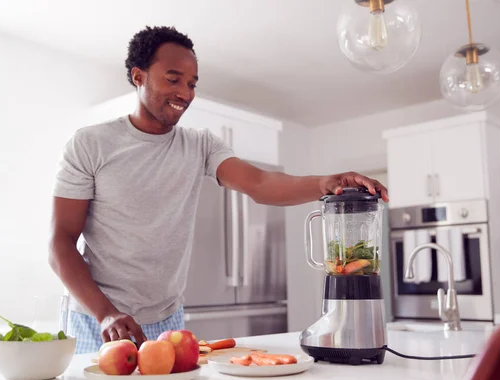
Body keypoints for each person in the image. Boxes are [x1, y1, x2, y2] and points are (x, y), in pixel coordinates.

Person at [48, 25, 389, 354]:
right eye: (173, 79)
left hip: (166, 321)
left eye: (192, 83)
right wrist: (106, 313)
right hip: (97, 319)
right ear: (139, 76)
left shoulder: (199, 145)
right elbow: (60, 241)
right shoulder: (90, 144)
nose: (185, 93)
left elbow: (260, 183)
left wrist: (324, 183)